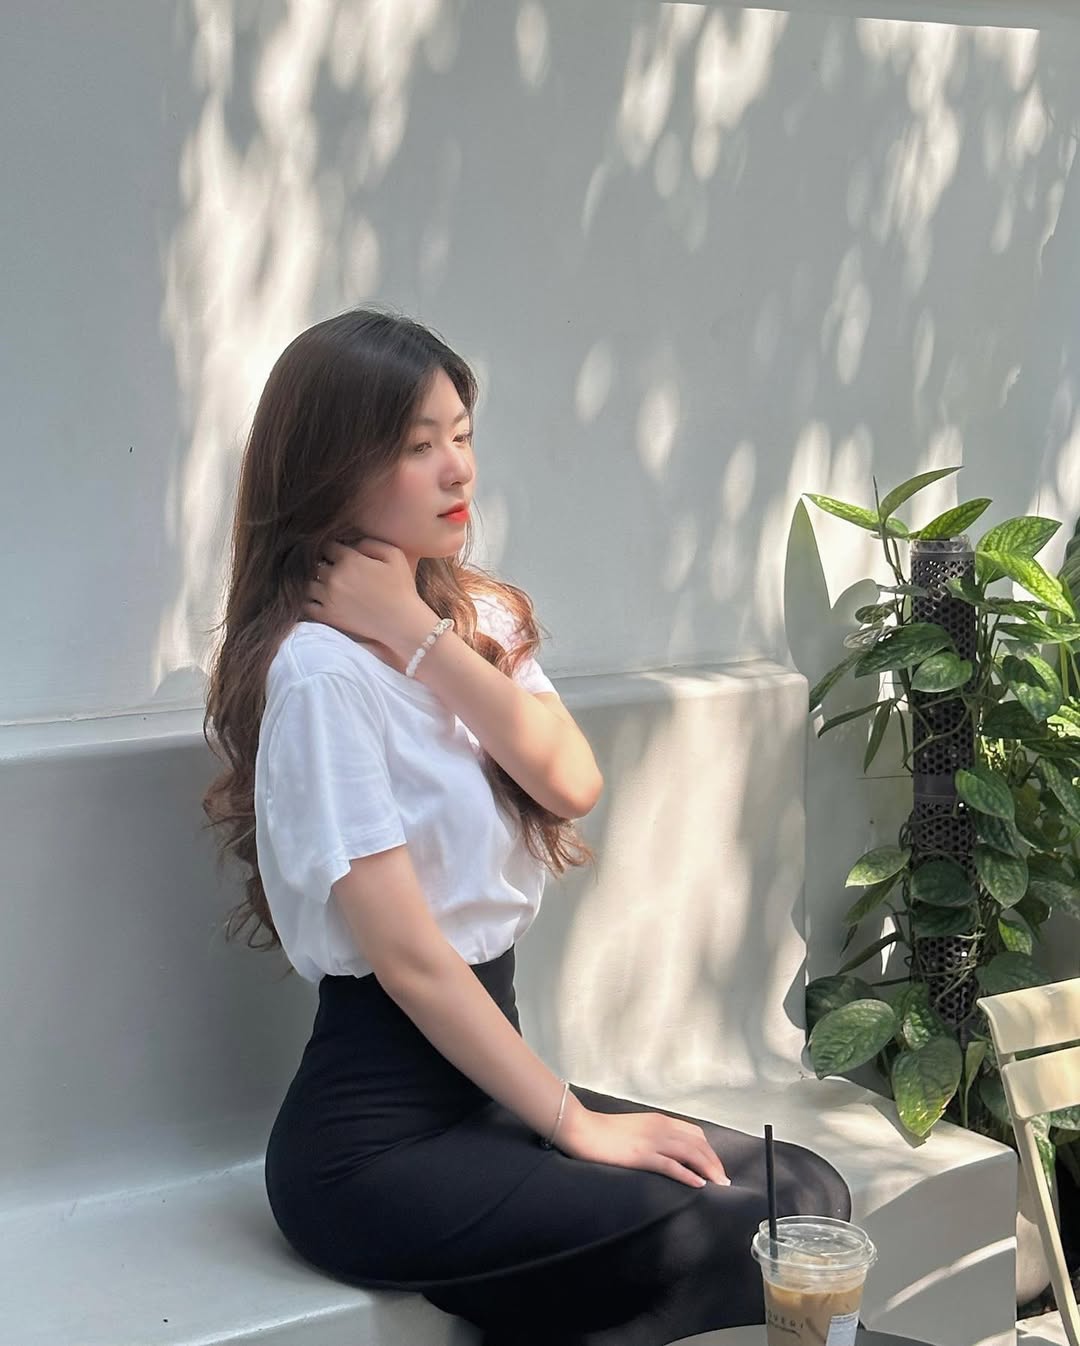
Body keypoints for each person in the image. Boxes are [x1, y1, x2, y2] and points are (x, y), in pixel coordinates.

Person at [203, 308, 850, 1346]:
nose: (457, 467)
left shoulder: (470, 617)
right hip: (370, 1148)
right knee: (737, 1237)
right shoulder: (320, 675)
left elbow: (570, 780)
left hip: (483, 1098)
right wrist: (576, 1123)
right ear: (333, 470)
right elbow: (411, 961)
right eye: (418, 445)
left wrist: (419, 634)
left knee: (804, 1189)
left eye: (462, 434)